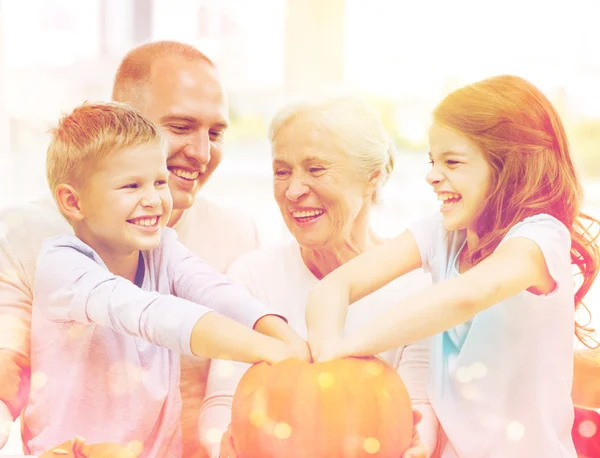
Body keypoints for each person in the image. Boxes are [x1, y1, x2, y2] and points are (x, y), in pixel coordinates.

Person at [305, 75, 600, 457]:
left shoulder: (540, 240)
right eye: (432, 160)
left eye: (452, 162)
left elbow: (466, 296)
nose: (432, 175)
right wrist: (329, 352)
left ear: (509, 165)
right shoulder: (445, 233)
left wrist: (351, 348)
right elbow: (335, 286)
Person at [0, 41, 263, 457]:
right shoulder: (26, 236)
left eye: (215, 133)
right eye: (180, 127)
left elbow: (239, 386)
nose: (201, 153)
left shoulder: (238, 232)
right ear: (124, 120)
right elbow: (5, 369)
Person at [24, 102, 305, 457]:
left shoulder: (163, 249)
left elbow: (214, 290)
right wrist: (268, 351)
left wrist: (281, 333)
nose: (154, 199)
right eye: (131, 186)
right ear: (73, 202)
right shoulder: (63, 266)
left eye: (160, 182)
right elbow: (153, 315)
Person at [198, 97, 437, 458]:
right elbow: (221, 401)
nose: (293, 191)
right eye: (282, 171)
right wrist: (222, 449)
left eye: (316, 169)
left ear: (371, 179)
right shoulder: (251, 276)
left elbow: (419, 404)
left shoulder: (419, 286)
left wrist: (419, 446)